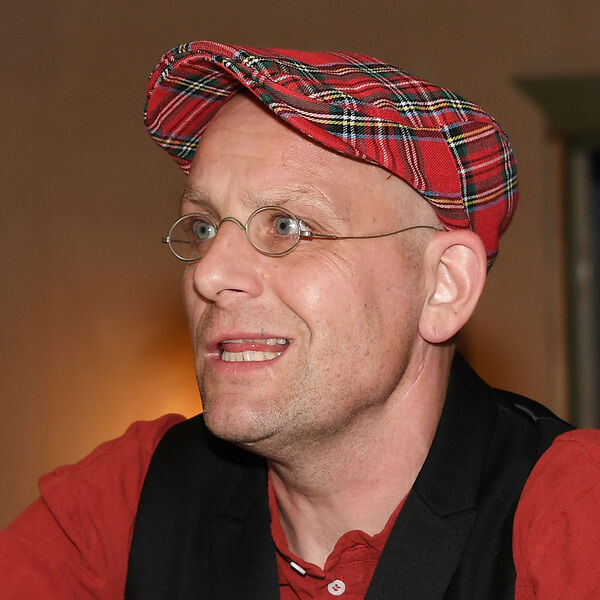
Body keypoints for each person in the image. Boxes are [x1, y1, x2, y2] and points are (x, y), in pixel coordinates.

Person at [2, 40, 600, 599]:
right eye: (204, 227)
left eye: (288, 226)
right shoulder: (136, 496)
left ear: (444, 285)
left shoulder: (572, 508)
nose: (210, 273)